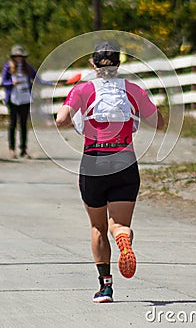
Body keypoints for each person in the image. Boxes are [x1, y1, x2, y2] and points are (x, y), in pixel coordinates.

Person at [56, 41, 164, 303]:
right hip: (125, 159)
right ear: (118, 63)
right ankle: (123, 239)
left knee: (97, 226)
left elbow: (60, 119)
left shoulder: (83, 89)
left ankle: (105, 287)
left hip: (94, 160)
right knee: (120, 224)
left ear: (92, 64)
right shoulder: (133, 89)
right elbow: (159, 123)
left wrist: (78, 118)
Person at [2, 45, 52, 159]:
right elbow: (3, 82)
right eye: (16, 56)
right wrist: (11, 84)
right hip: (13, 99)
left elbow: (37, 79)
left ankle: (23, 149)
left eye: (20, 56)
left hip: (25, 98)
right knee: (12, 124)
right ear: (13, 57)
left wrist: (52, 84)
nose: (19, 58)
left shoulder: (27, 67)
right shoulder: (8, 67)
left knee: (24, 125)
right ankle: (12, 149)